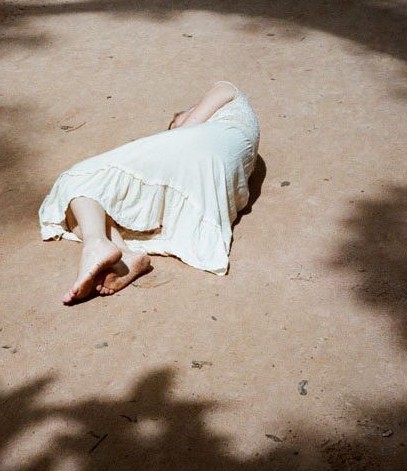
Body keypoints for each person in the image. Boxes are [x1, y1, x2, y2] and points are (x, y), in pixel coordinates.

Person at [39, 80, 260, 304]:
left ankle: (96, 243)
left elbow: (187, 128)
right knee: (77, 208)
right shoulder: (239, 130)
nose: (171, 127)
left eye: (173, 122)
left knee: (77, 177)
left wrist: (180, 125)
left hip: (207, 146)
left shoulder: (225, 89)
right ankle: (124, 255)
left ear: (189, 110)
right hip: (216, 170)